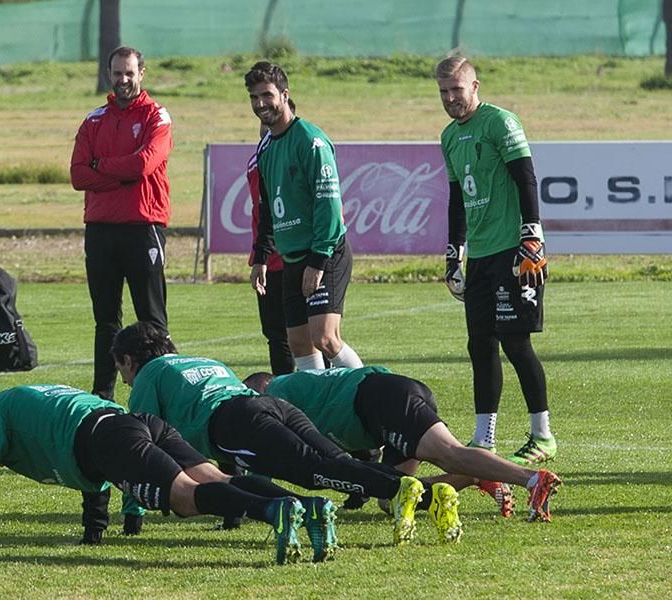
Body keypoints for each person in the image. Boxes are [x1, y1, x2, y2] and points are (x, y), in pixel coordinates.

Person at [111, 321, 462, 545]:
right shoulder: (201, 361)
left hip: (237, 422)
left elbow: (139, 450)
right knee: (333, 460)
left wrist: (133, 516)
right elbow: (228, 469)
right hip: (270, 405)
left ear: (128, 360)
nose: (124, 380)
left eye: (120, 370)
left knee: (317, 471)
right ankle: (434, 496)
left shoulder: (148, 376)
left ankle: (399, 487)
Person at [0, 384, 338, 565]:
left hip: (112, 439)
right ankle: (312, 506)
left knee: (186, 498)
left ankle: (274, 511)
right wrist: (115, 523)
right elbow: (89, 468)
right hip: (136, 423)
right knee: (217, 479)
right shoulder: (32, 399)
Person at [70, 44, 173, 535]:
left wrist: (103, 170)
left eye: (129, 73)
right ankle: (103, 394)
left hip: (144, 226)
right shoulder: (93, 119)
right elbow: (75, 175)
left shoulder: (157, 114)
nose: (123, 80)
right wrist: (118, 167)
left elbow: (143, 166)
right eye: (116, 73)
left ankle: (163, 394)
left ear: (141, 73)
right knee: (105, 320)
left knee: (152, 321)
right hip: (102, 230)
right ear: (108, 74)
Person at [435, 56, 557, 465]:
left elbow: (526, 176)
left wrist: (532, 233)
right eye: (444, 91)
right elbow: (457, 199)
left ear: (475, 86)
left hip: (513, 250)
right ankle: (483, 437)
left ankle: (542, 436)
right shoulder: (449, 136)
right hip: (481, 257)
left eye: (457, 89)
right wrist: (455, 251)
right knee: (479, 344)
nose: (451, 98)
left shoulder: (500, 122)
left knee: (515, 342)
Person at [243, 368, 562, 522]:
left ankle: (531, 480)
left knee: (449, 455)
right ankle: (476, 475)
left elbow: (279, 445)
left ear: (262, 389)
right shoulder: (300, 394)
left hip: (382, 400)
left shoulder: (279, 390)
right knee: (393, 496)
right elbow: (361, 455)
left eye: (252, 397)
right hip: (385, 403)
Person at [245, 61, 363, 373]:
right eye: (254, 97)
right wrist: (260, 257)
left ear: (284, 94)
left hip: (325, 253)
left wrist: (318, 260)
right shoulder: (267, 149)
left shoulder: (311, 141)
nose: (260, 104)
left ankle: (373, 394)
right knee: (298, 343)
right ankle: (318, 414)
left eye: (267, 95)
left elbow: (328, 206)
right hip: (292, 257)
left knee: (325, 337)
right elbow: (268, 209)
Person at [247, 101, 295, 376]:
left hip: (283, 254)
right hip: (275, 254)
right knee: (288, 333)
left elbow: (268, 211)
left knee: (284, 334)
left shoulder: (265, 158)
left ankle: (288, 393)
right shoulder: (264, 157)